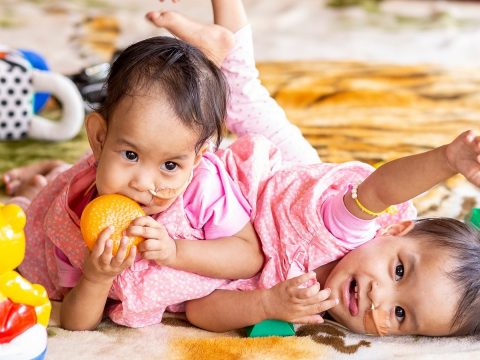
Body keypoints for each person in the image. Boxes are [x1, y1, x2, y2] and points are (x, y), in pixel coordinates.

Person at [6, 1, 480, 337]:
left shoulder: (304, 307)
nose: (380, 298)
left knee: (233, 105)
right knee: (240, 109)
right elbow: (382, 187)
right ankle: (224, 40)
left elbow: (202, 307)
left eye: (400, 315)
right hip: (276, 192)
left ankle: (224, 48)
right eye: (399, 269)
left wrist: (269, 304)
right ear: (394, 229)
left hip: (217, 229)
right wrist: (446, 160)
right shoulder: (348, 225)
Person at [7, 29, 270, 331]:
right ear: (99, 137)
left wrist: (175, 251)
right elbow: (75, 323)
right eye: (131, 155)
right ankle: (38, 182)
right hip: (71, 186)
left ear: (195, 160)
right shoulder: (78, 212)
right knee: (24, 218)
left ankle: (51, 170)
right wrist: (97, 277)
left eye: (170, 164)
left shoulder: (203, 188)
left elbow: (249, 256)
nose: (144, 183)